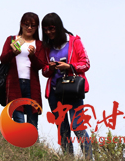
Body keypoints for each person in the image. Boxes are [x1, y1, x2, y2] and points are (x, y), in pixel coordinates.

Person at [41, 12, 92, 159]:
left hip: (72, 90)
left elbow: (86, 64)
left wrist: (69, 66)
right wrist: (50, 68)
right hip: (55, 93)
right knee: (62, 129)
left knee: (78, 126)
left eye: (51, 28)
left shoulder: (74, 41)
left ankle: (89, 158)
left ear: (58, 27)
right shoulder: (46, 47)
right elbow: (44, 71)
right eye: (45, 29)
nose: (49, 32)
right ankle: (68, 158)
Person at [0, 12, 48, 128]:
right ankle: (20, 143)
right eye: (26, 24)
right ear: (21, 24)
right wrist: (12, 53)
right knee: (18, 117)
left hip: (32, 84)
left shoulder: (39, 44)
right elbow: (3, 59)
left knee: (32, 119)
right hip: (14, 82)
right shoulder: (12, 39)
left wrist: (32, 56)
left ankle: (33, 143)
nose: (29, 28)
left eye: (33, 25)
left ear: (37, 27)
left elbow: (41, 65)